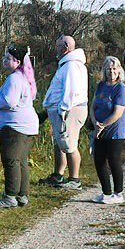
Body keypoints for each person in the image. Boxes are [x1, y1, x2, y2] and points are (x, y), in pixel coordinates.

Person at [0, 45, 39, 208]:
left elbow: (10, 101)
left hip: (15, 126)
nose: (4, 60)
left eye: (8, 58)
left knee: (10, 160)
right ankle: (22, 195)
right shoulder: (22, 77)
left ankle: (10, 196)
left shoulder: (14, 78)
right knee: (20, 161)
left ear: (17, 61)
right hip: (26, 126)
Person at [40, 35, 87, 190]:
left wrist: (63, 109)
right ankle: (58, 175)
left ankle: (75, 179)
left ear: (65, 47)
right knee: (59, 143)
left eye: (58, 46)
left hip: (69, 111)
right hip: (60, 110)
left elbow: (71, 90)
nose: (56, 49)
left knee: (68, 144)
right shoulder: (66, 64)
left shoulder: (72, 65)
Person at [87, 56, 125, 205]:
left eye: (114, 69)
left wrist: (103, 125)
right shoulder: (100, 86)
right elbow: (93, 106)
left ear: (119, 70)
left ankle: (118, 193)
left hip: (114, 132)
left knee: (114, 160)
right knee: (99, 161)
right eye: (108, 69)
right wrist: (94, 122)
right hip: (99, 130)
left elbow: (118, 112)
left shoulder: (121, 89)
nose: (111, 72)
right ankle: (106, 192)